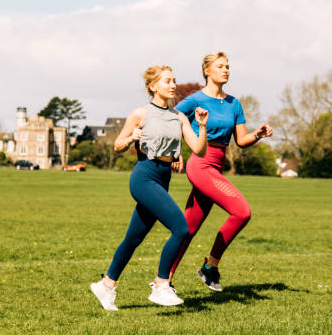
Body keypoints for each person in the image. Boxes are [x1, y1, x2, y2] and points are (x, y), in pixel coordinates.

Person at [90, 65, 209, 311]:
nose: (173, 85)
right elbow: (118, 145)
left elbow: (199, 149)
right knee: (180, 227)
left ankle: (106, 285)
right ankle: (161, 284)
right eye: (167, 81)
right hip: (144, 176)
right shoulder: (140, 113)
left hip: (163, 177)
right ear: (153, 86)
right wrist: (131, 138)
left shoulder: (179, 117)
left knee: (133, 238)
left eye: (174, 80)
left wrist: (202, 125)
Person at [169, 51, 273, 291]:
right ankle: (210, 267)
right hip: (201, 163)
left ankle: (164, 280)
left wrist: (257, 134)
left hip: (217, 165)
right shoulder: (195, 100)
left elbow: (242, 140)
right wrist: (176, 152)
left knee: (188, 227)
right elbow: (170, 121)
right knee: (242, 211)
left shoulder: (233, 103)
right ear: (207, 71)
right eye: (220, 66)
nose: (226, 70)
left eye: (228, 66)